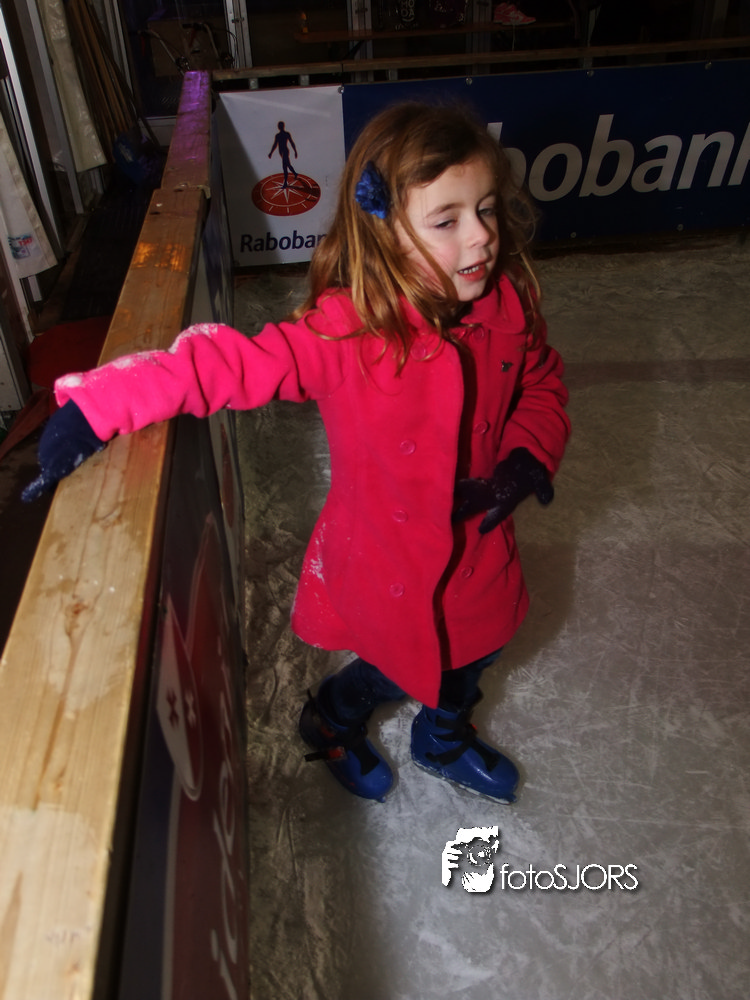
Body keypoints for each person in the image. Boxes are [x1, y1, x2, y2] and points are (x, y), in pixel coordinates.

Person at [23, 102, 570, 806]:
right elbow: (227, 365)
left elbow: (541, 383)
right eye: (447, 220)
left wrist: (526, 457)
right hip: (392, 557)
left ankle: (442, 737)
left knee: (477, 652)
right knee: (396, 666)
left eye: (487, 209)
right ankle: (331, 718)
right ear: (384, 231)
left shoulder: (507, 307)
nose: (482, 237)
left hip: (481, 549)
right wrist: (99, 406)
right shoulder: (349, 333)